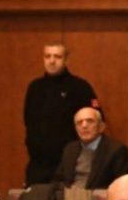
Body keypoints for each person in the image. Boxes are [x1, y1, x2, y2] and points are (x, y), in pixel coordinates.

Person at [24, 41, 98, 186]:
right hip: (38, 165)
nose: (52, 61)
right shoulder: (35, 88)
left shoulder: (79, 87)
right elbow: (28, 121)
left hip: (70, 164)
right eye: (48, 56)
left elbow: (96, 122)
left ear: (66, 60)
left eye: (57, 56)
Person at [51, 106, 128, 192]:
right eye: (79, 123)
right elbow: (58, 179)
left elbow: (120, 187)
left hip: (97, 198)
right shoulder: (70, 149)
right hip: (69, 196)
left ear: (101, 126)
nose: (84, 126)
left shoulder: (116, 150)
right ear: (76, 129)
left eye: (90, 121)